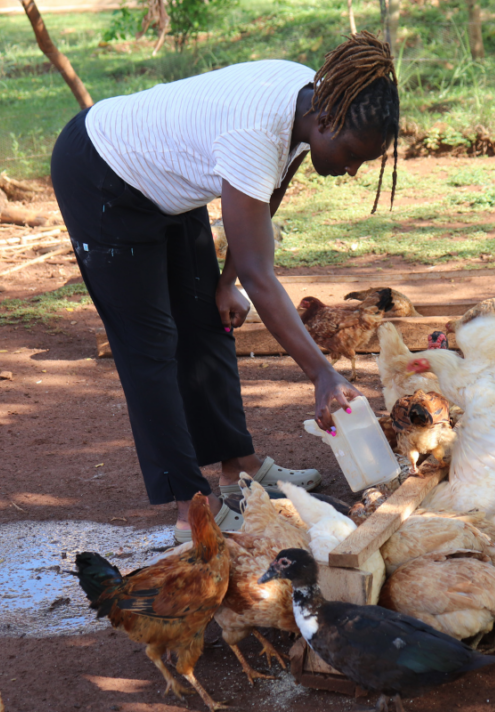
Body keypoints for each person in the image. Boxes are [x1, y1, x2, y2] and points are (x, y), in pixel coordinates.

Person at [50, 32, 400, 542]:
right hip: (102, 174)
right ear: (326, 121)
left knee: (209, 321)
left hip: (168, 182)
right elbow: (264, 275)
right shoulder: (257, 130)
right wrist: (321, 373)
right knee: (150, 345)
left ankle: (242, 467)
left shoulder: (311, 96)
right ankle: (193, 507)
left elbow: (266, 193)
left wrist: (225, 282)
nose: (351, 169)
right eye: (350, 154)